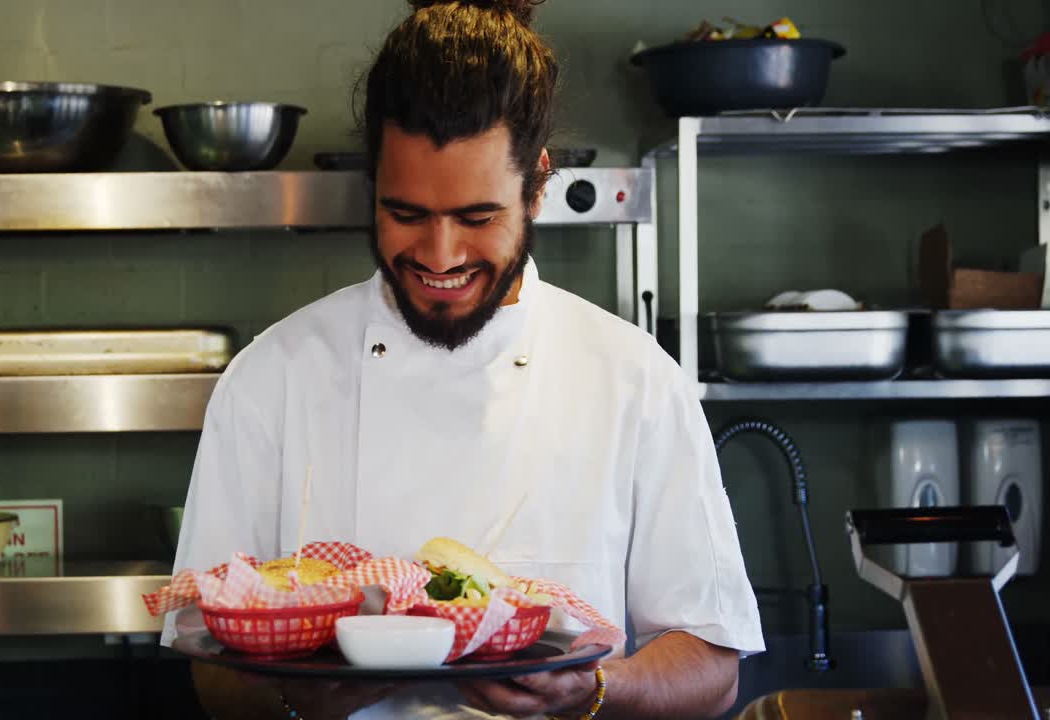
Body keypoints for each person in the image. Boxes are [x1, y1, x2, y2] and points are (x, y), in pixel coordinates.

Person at [162, 0, 765, 717]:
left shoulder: (634, 381)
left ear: (537, 185)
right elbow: (210, 666)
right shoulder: (272, 378)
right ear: (372, 187)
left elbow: (711, 667)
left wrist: (596, 687)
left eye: (477, 218)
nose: (440, 256)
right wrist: (295, 700)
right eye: (406, 214)